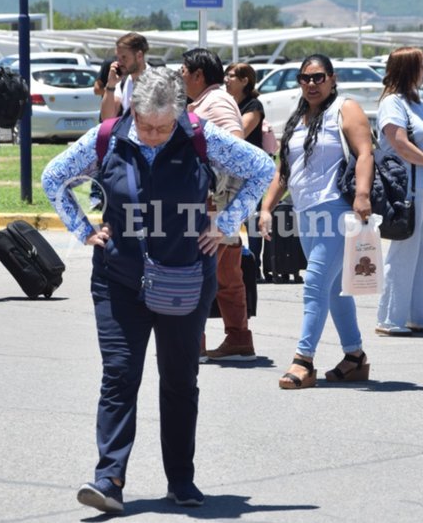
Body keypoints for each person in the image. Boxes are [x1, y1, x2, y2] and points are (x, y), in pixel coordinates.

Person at [41, 66, 273, 513]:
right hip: (118, 280)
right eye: (145, 125)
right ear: (132, 112)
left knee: (180, 381)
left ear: (179, 117)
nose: (151, 135)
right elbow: (54, 178)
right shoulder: (108, 136)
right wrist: (82, 229)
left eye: (162, 128)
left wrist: (224, 224)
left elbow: (261, 168)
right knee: (120, 376)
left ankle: (181, 481)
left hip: (185, 278)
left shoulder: (202, 136)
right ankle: (108, 479)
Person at [257, 54, 374, 389]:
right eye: (305, 78)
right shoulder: (298, 117)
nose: (311, 84)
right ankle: (355, 358)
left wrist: (362, 194)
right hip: (306, 212)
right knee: (335, 289)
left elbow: (365, 152)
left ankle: (303, 360)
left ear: (332, 79)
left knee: (315, 285)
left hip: (336, 210)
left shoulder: (345, 108)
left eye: (318, 77)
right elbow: (284, 171)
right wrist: (267, 208)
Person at [180, 48, 255, 362]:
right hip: (222, 202)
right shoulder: (208, 102)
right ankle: (238, 338)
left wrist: (218, 198)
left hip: (215, 203)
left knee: (197, 272)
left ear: (199, 75)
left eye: (183, 71)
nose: (179, 77)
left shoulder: (216, 101)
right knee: (226, 273)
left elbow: (235, 145)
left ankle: (192, 343)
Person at [374, 47, 423, 337]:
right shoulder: (393, 103)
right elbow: (399, 142)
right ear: (408, 68)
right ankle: (390, 317)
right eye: (421, 65)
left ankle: (419, 316)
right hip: (406, 187)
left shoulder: (419, 102)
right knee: (404, 250)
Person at [225, 61, 267, 282]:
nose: (226, 80)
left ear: (245, 81)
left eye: (231, 76)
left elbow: (238, 133)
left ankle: (254, 266)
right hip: (230, 171)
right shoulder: (228, 104)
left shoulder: (254, 105)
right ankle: (232, 262)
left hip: (251, 173)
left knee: (252, 219)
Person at [99, 32, 148, 120]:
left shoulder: (157, 80)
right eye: (118, 58)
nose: (119, 62)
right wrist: (111, 85)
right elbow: (107, 118)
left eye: (124, 57)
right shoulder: (122, 82)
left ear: (139, 56)